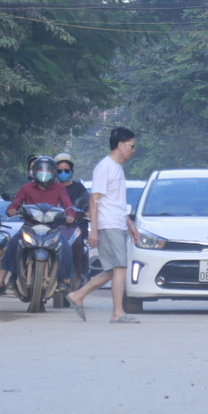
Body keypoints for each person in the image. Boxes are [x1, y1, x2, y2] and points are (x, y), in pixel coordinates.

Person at [68, 128, 141, 323]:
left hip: (117, 223)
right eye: (131, 146)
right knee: (120, 268)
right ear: (120, 145)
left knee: (112, 270)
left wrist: (130, 224)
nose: (133, 150)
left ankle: (78, 295)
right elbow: (94, 200)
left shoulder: (117, 168)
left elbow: (116, 202)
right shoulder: (105, 167)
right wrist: (93, 230)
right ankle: (118, 313)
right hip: (109, 225)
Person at [0, 155, 75, 296]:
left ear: (53, 173)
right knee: (12, 245)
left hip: (51, 228)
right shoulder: (26, 188)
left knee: (66, 247)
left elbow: (67, 204)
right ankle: (0, 282)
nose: (44, 173)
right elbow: (16, 203)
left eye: (48, 170)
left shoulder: (59, 188)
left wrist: (70, 215)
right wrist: (12, 209)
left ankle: (64, 280)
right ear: (34, 172)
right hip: (29, 226)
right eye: (41, 170)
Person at [54, 152, 90, 287]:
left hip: (74, 227)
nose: (63, 173)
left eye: (66, 170)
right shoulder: (52, 188)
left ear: (71, 171)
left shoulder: (78, 187)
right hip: (55, 227)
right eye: (59, 170)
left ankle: (79, 274)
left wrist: (87, 212)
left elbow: (87, 202)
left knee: (78, 246)